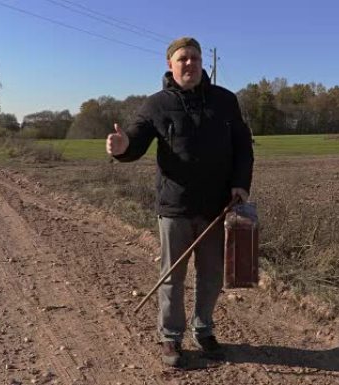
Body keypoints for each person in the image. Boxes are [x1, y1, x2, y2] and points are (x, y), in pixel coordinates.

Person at [106, 36, 254, 367]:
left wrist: (240, 185)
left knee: (212, 274)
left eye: (195, 58)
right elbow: (136, 141)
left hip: (218, 207)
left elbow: (243, 146)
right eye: (183, 58)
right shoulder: (156, 104)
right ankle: (171, 338)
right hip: (175, 207)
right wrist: (122, 146)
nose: (190, 63)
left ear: (203, 63)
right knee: (172, 275)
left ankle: (204, 330)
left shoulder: (226, 101)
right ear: (169, 65)